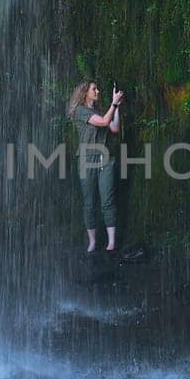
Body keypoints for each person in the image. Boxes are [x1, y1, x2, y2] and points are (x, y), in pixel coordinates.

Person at [67, 80, 123, 254]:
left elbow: (114, 127)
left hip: (105, 158)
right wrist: (113, 104)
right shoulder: (80, 111)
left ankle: (111, 243)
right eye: (94, 89)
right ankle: (92, 242)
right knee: (89, 202)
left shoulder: (99, 112)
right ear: (85, 93)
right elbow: (105, 121)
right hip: (86, 159)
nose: (98, 91)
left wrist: (117, 107)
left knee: (108, 199)